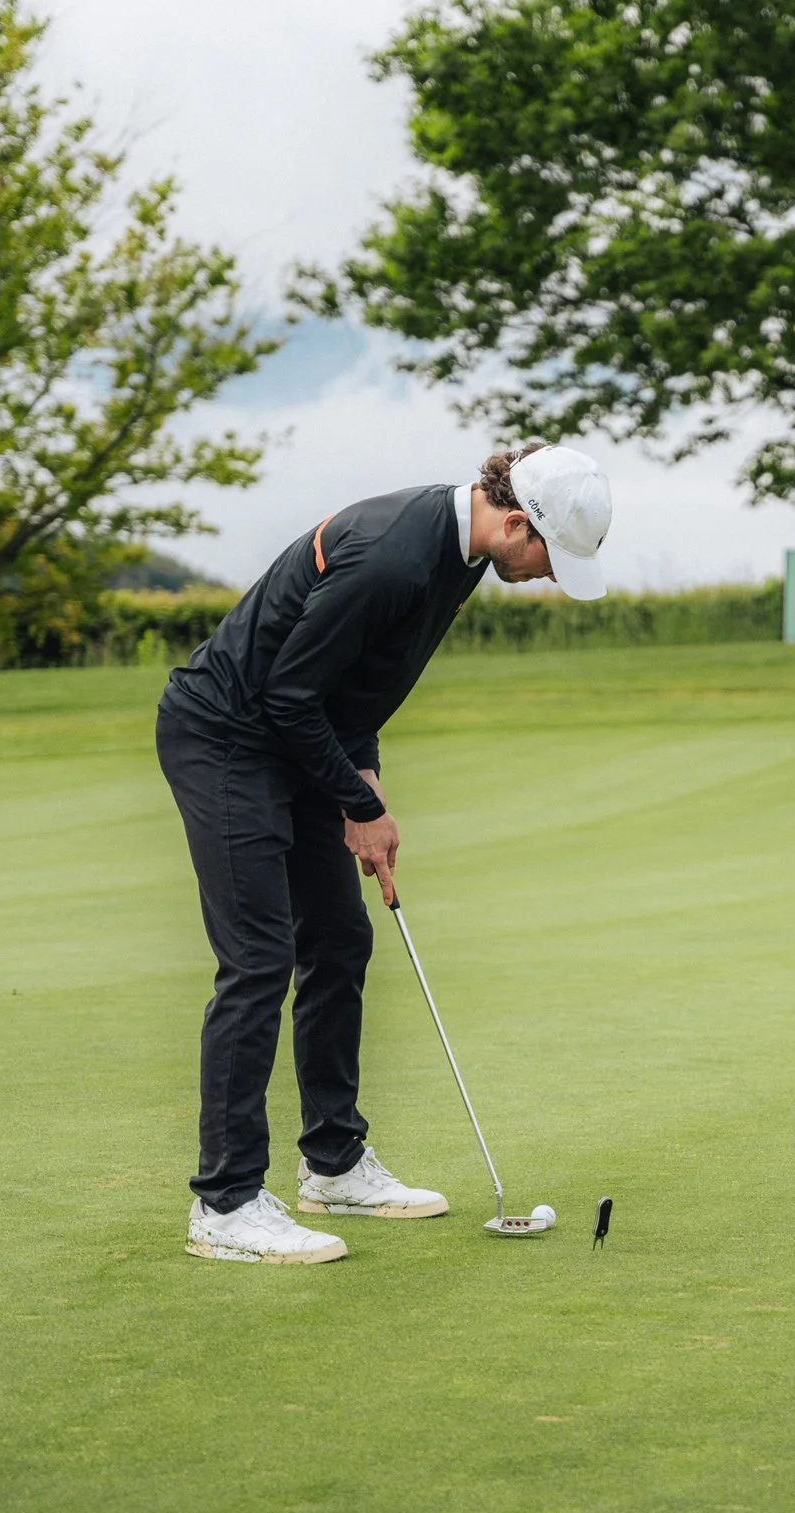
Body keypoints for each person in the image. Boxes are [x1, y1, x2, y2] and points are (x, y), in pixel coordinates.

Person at [155, 443, 613, 1264]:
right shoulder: (396, 557)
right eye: (550, 556)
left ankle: (331, 1163)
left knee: (338, 938)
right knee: (258, 958)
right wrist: (357, 805)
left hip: (292, 740)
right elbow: (289, 692)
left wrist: (366, 781)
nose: (549, 575)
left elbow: (356, 683)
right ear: (516, 521)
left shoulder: (461, 554)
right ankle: (223, 1203)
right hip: (226, 737)